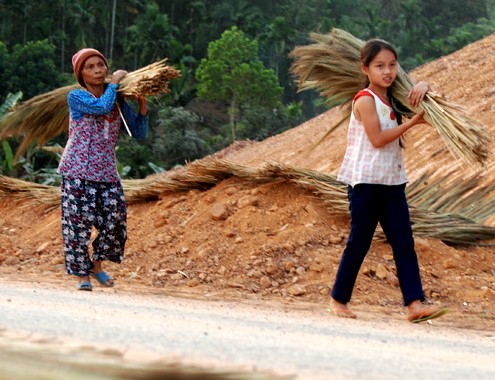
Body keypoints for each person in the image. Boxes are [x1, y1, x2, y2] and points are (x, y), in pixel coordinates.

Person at [329, 39, 448, 323]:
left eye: (392, 65)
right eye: (380, 66)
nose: (388, 71)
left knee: (404, 242)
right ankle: (338, 299)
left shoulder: (393, 99)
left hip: (393, 182)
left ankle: (414, 304)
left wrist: (424, 86)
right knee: (360, 241)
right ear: (365, 68)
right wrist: (411, 123)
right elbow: (378, 139)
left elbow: (424, 103)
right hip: (366, 184)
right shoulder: (365, 99)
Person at [58, 48, 148, 291]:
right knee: (77, 226)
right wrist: (116, 82)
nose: (98, 70)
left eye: (101, 65)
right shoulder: (77, 97)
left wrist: (141, 104)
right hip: (78, 171)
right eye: (91, 67)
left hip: (107, 173)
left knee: (116, 222)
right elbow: (100, 107)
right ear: (81, 75)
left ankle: (96, 265)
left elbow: (139, 133)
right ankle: (82, 276)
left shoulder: (116, 100)